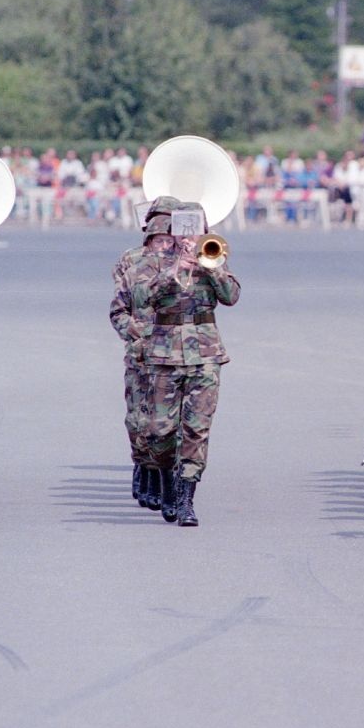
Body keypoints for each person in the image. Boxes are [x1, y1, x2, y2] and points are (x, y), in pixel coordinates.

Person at [129, 201, 241, 526]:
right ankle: (166, 482)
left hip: (205, 357)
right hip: (164, 356)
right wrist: (175, 268)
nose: (190, 233)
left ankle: (186, 501)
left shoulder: (213, 255)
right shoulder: (154, 261)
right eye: (184, 225)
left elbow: (232, 296)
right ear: (174, 228)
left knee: (197, 430)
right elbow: (141, 298)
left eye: (197, 225)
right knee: (161, 433)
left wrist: (210, 267)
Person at [110, 196, 182, 510]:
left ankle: (166, 477)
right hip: (141, 353)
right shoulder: (131, 261)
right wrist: (138, 335)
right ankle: (145, 470)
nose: (164, 241)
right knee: (139, 419)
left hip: (174, 354)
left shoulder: (185, 262)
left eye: (170, 234)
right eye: (158, 236)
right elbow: (120, 309)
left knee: (168, 422)